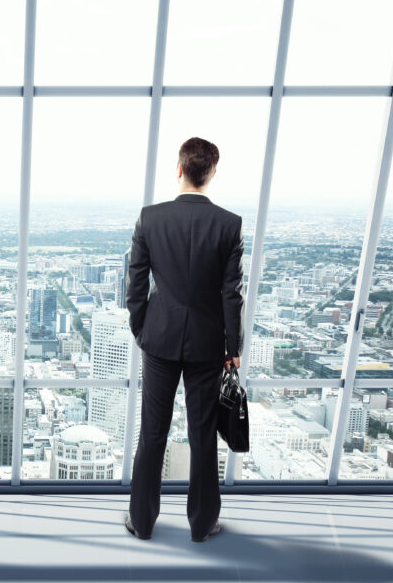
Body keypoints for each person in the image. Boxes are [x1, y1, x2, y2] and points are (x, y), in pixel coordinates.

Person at [123, 136, 245, 543]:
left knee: (152, 433)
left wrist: (142, 328)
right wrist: (233, 349)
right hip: (208, 345)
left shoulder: (150, 218)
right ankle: (201, 523)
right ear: (211, 174)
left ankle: (141, 522)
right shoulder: (229, 225)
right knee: (202, 434)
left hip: (158, 339)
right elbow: (231, 294)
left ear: (179, 169)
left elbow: (135, 283)